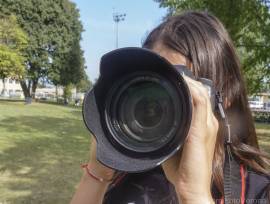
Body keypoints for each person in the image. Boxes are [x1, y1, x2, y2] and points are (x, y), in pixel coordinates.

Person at [70, 11, 270, 204]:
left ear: (224, 96)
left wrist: (194, 196)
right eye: (148, 86)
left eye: (179, 90)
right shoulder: (130, 171)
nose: (155, 105)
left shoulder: (259, 193)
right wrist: (97, 173)